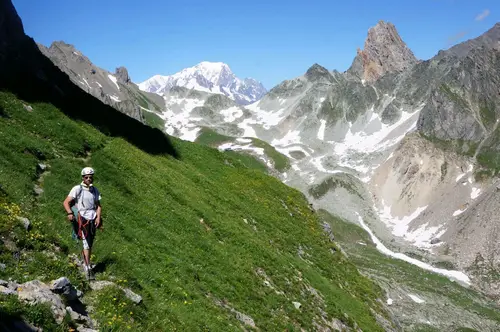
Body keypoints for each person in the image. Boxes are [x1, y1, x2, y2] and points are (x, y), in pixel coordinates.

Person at [63, 167, 102, 279]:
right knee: (85, 242)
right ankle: (87, 266)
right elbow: (66, 202)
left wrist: (98, 218)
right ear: (83, 177)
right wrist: (70, 213)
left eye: (91, 177)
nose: (89, 179)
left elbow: (98, 205)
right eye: (86, 177)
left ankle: (87, 263)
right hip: (82, 218)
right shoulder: (77, 189)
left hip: (92, 218)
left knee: (90, 241)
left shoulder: (94, 190)